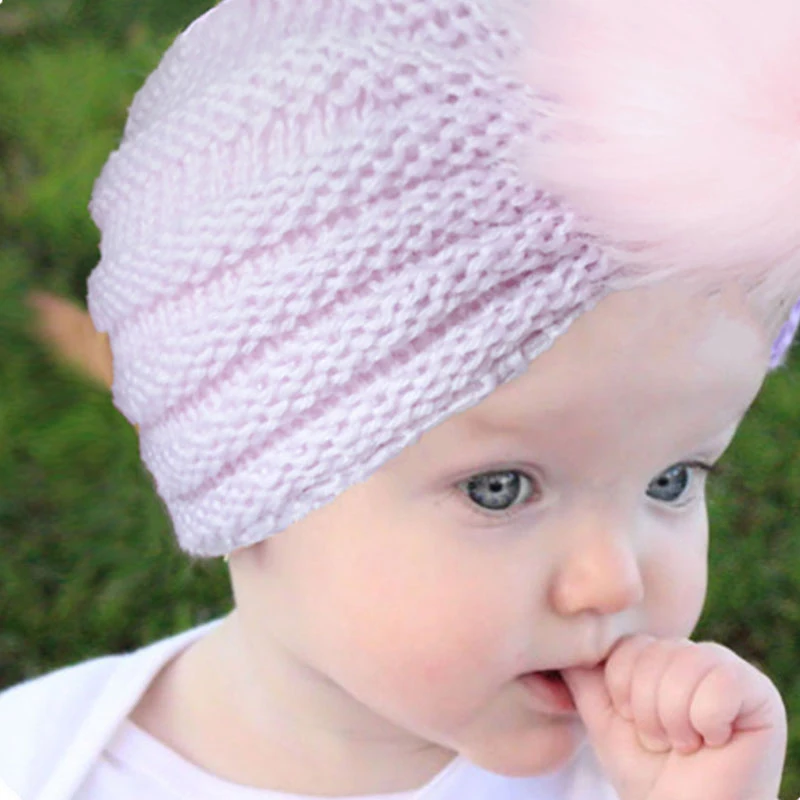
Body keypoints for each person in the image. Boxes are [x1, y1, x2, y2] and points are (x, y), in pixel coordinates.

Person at [3, 0, 799, 798]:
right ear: (250, 481)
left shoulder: (649, 781)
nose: (616, 581)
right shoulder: (38, 766)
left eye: (672, 479)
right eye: (499, 488)